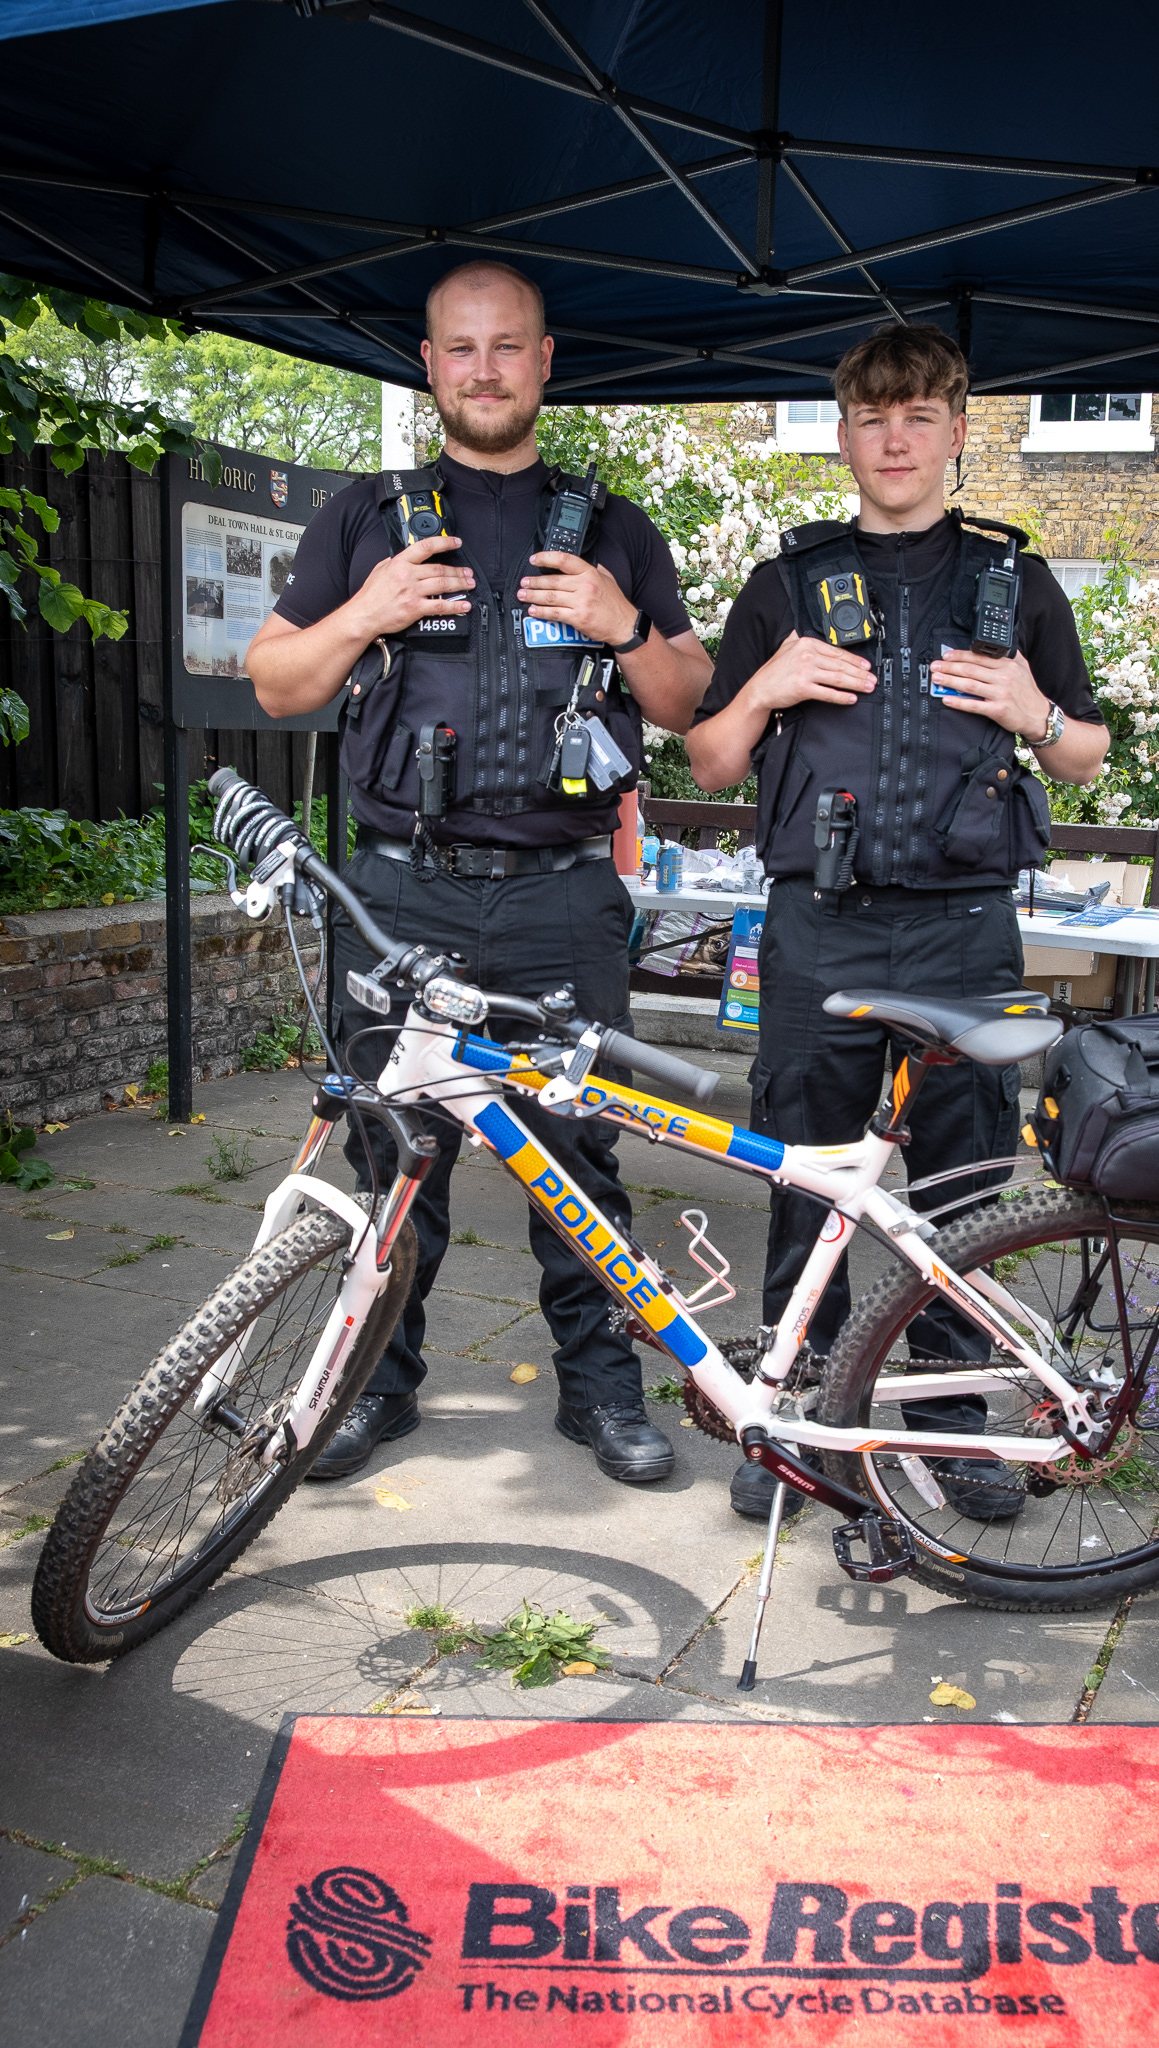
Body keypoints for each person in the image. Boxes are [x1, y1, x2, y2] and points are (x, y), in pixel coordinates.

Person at [246, 260, 712, 1484]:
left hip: (564, 889)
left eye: (510, 346)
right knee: (394, 1150)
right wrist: (366, 611)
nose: (487, 368)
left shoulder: (611, 524)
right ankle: (372, 1386)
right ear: (431, 361)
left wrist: (624, 622)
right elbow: (276, 678)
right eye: (463, 348)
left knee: (582, 1151)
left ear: (546, 361)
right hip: (402, 889)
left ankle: (603, 1392)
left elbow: (690, 701)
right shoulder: (366, 514)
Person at [687, 324, 1109, 1523]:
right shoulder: (785, 582)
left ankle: (956, 1417)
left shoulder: (1014, 581)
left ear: (958, 432)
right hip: (816, 923)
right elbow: (712, 757)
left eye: (919, 415)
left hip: (964, 928)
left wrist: (1035, 710)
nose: (895, 438)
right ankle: (801, 1414)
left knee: (963, 1180)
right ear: (845, 433)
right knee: (804, 1174)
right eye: (873, 417)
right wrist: (767, 684)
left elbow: (1084, 755)